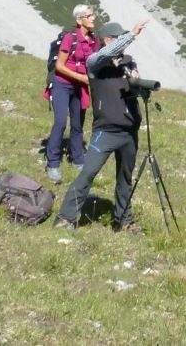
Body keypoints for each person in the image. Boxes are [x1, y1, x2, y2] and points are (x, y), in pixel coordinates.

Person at [54, 18, 150, 231]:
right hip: (105, 131)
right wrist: (132, 34)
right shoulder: (95, 63)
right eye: (119, 38)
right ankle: (65, 218)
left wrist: (137, 82)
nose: (123, 44)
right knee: (88, 173)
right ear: (108, 40)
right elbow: (107, 54)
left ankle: (124, 220)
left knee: (125, 178)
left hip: (129, 130)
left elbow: (134, 91)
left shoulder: (128, 62)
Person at [42, 4, 99, 184]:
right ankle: (52, 164)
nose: (93, 18)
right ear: (79, 20)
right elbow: (59, 66)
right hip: (62, 84)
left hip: (79, 86)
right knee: (60, 122)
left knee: (77, 124)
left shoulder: (94, 40)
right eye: (89, 15)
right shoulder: (69, 38)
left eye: (93, 15)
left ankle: (78, 159)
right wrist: (81, 78)